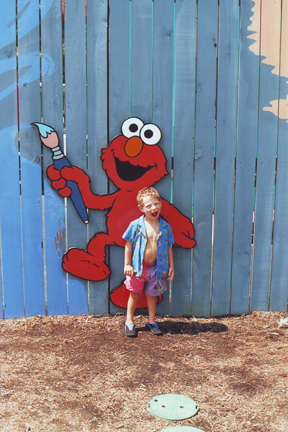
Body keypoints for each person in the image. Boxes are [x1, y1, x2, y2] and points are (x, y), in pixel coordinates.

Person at [122, 187, 175, 337]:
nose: (153, 208)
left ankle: (151, 321)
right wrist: (127, 264)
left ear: (160, 204)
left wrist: (171, 265)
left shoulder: (165, 227)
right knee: (135, 294)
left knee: (152, 295)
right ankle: (129, 321)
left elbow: (169, 246)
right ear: (141, 208)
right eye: (149, 205)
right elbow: (128, 245)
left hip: (156, 269)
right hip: (138, 268)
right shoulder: (136, 225)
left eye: (156, 204)